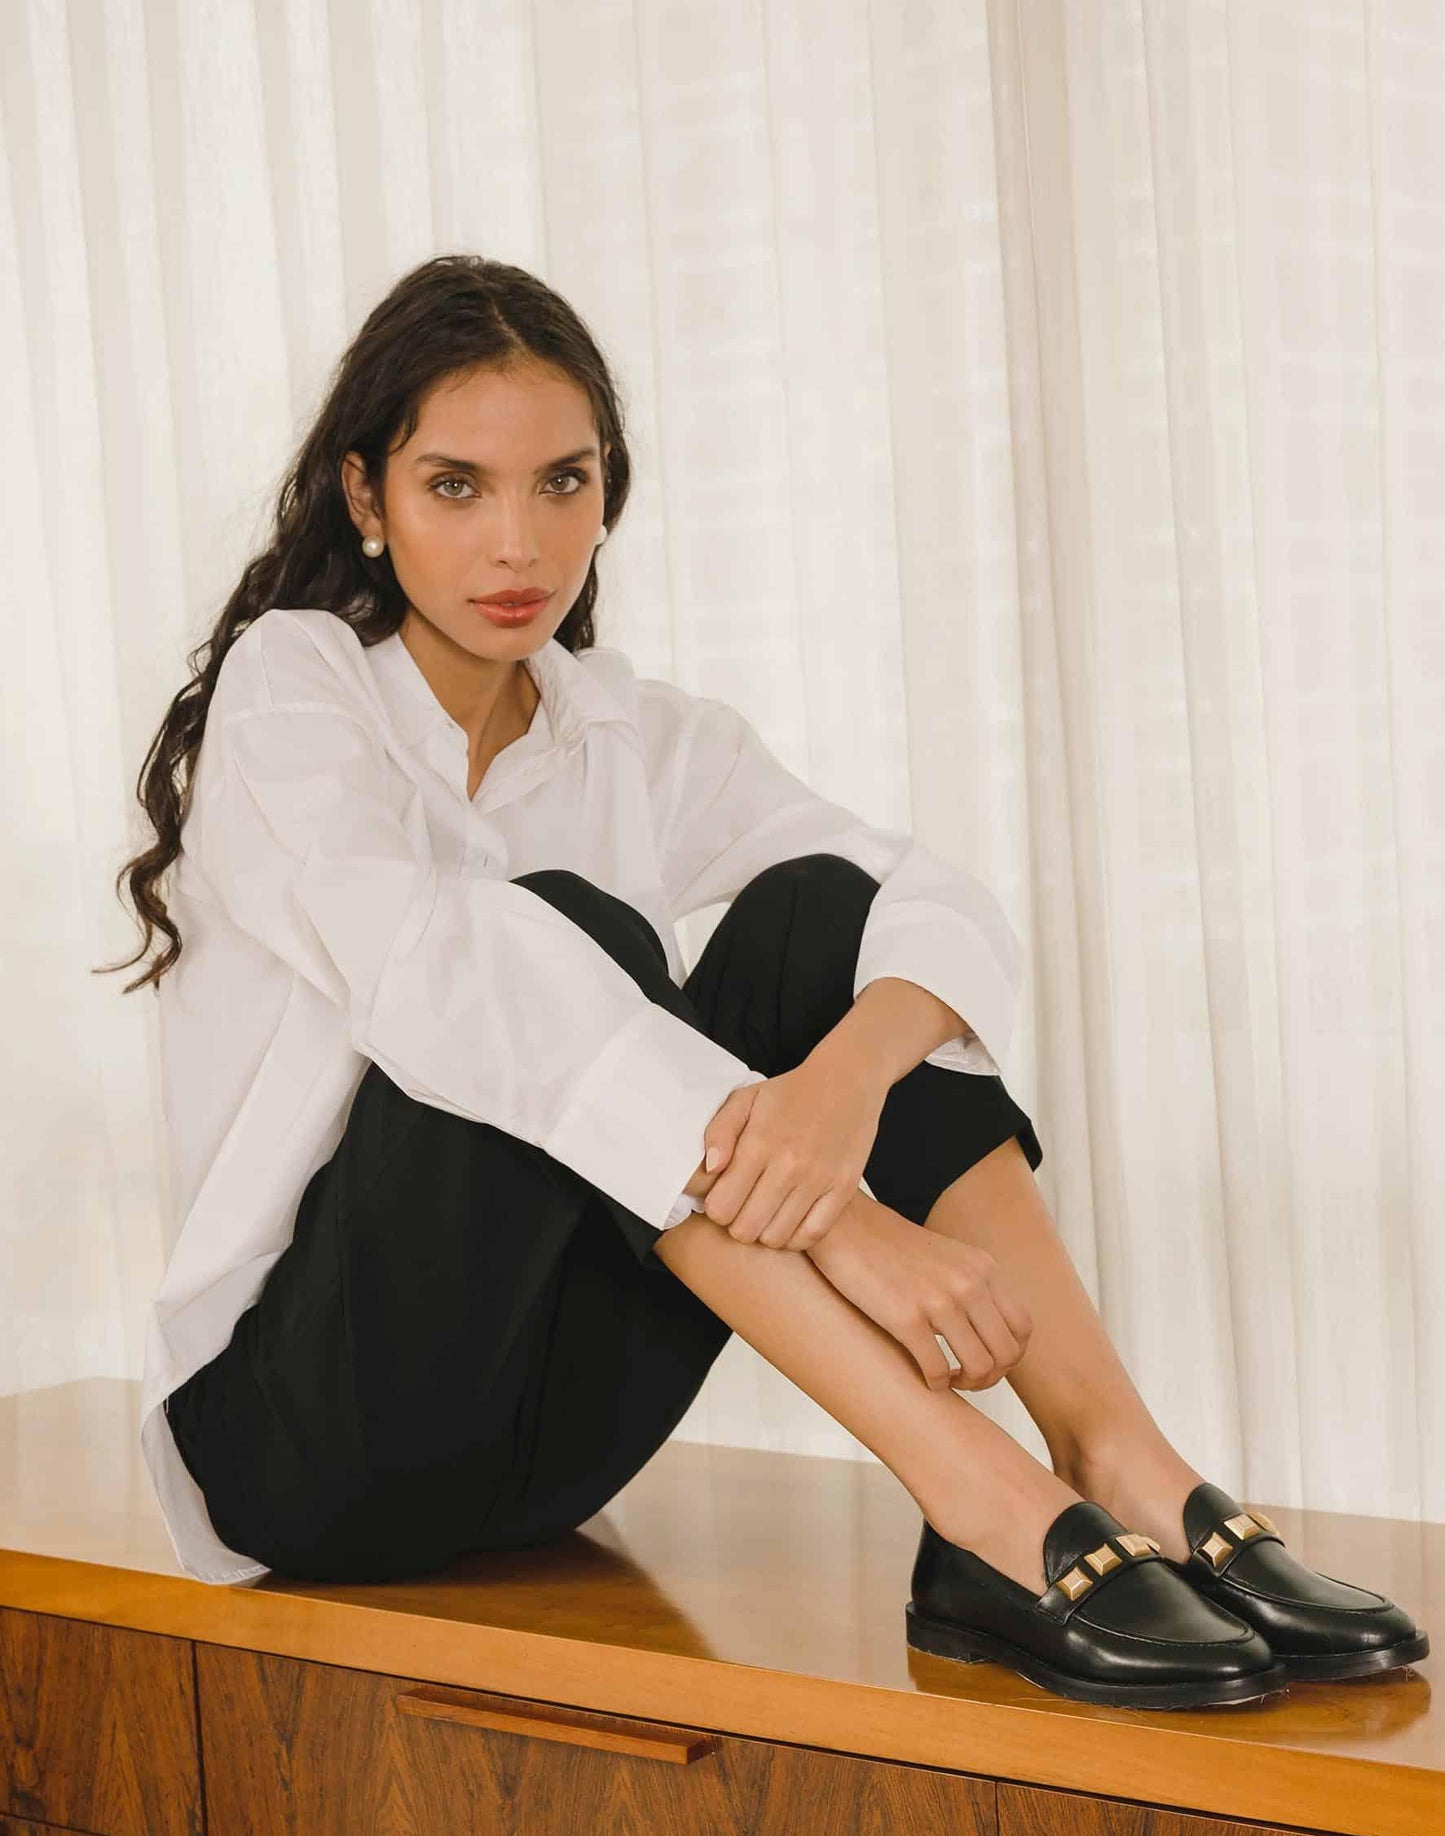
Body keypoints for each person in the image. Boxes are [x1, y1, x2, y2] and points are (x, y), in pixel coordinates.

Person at [97, 254, 1427, 1711]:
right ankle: (979, 1499)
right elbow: (453, 979)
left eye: (564, 481)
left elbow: (934, 903)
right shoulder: (298, 686)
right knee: (563, 932)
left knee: (830, 919)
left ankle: (1120, 1456)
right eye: (456, 485)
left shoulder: (640, 735)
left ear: (611, 490)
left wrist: (841, 1088)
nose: (518, 542)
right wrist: (844, 1221)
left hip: (544, 1447)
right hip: (309, 1443)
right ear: (367, 498)